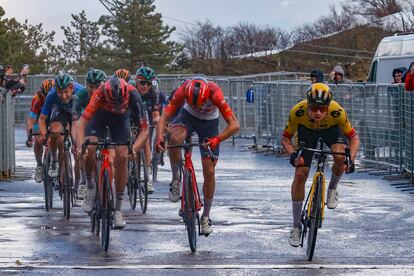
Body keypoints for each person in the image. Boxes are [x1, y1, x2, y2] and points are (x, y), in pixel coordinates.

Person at [155, 77, 240, 235]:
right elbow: (164, 117)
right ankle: (176, 179)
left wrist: (217, 139)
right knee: (175, 138)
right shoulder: (182, 90)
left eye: (199, 103)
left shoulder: (216, 94)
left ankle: (206, 216)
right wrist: (159, 137)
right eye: (192, 102)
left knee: (209, 172)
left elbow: (235, 124)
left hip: (209, 124)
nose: (197, 106)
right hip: (187, 117)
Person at [281, 83, 359, 247]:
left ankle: (332, 189)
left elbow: (354, 138)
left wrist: (350, 159)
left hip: (331, 130)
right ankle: (296, 226)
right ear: (308, 104)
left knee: (340, 157)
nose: (318, 112)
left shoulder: (337, 111)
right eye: (314, 108)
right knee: (300, 173)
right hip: (306, 131)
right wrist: (292, 155)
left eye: (322, 109)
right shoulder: (298, 111)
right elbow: (285, 138)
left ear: (328, 107)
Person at [76, 77, 149, 229]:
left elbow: (144, 129)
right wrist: (79, 146)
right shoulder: (99, 93)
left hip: (121, 121)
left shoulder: (134, 95)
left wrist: (134, 149)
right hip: (99, 119)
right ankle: (90, 186)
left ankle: (117, 209)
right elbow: (81, 123)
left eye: (119, 103)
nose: (115, 106)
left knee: (122, 156)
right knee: (89, 148)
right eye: (112, 103)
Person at [71, 69, 107, 209]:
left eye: (97, 86)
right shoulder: (80, 96)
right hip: (88, 122)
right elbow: (75, 122)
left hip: (108, 122)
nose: (93, 90)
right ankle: (87, 181)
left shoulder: (109, 93)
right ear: (86, 86)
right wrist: (77, 142)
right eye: (90, 86)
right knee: (88, 149)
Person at [38, 73, 84, 179]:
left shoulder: (80, 92)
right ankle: (54, 161)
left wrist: (77, 142)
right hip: (60, 111)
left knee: (78, 149)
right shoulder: (51, 95)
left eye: (66, 92)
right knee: (55, 130)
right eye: (60, 92)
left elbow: (78, 122)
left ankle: (79, 183)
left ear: (72, 88)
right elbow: (42, 118)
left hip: (75, 113)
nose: (63, 96)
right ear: (56, 90)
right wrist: (45, 135)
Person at [134, 66, 160, 193]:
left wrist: (157, 121)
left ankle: (147, 175)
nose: (145, 86)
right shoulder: (131, 90)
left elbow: (156, 113)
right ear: (136, 81)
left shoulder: (153, 92)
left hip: (145, 114)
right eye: (142, 82)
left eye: (148, 83)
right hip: (131, 113)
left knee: (146, 139)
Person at [26, 79, 55, 182]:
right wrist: (30, 136)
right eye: (45, 95)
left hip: (54, 118)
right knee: (38, 139)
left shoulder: (58, 96)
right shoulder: (37, 98)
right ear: (41, 92)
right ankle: (39, 165)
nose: (47, 97)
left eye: (49, 95)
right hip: (40, 118)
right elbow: (31, 120)